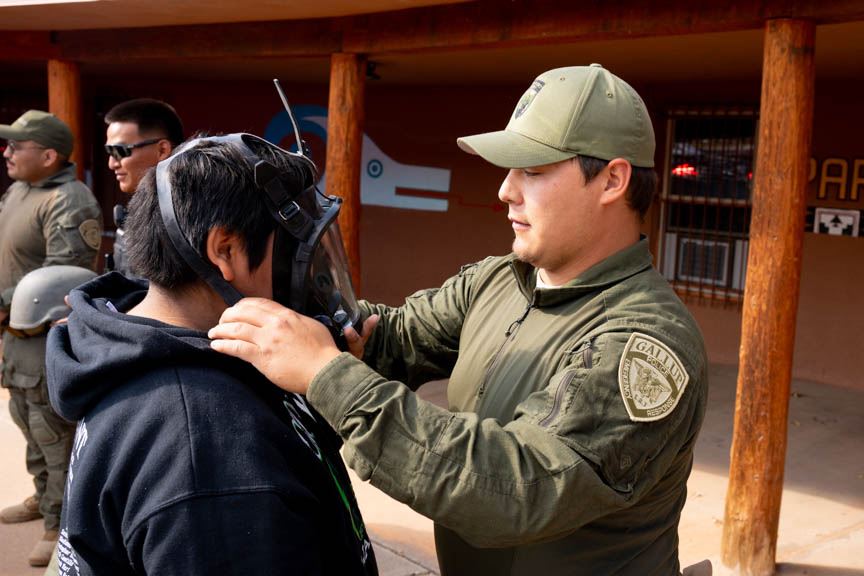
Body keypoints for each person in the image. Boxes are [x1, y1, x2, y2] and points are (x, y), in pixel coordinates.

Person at [209, 64, 710, 575]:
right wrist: (316, 322)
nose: (506, 190)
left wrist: (327, 374)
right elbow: (395, 337)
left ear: (612, 181)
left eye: (533, 170)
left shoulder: (644, 341)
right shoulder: (501, 279)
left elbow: (517, 488)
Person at [46, 133, 377, 575]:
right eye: (295, 250)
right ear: (225, 250)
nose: (307, 275)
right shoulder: (210, 454)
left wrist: (321, 389)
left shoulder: (146, 342)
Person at [0, 110, 102, 568]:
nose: (6, 153)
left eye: (16, 146)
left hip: (44, 332)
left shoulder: (70, 200)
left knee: (51, 429)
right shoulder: (20, 190)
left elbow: (64, 273)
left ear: (48, 156)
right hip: (14, 332)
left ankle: (59, 522)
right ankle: (43, 497)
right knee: (25, 418)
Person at [103, 98, 183, 274]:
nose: (112, 163)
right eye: (109, 151)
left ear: (162, 150)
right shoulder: (144, 208)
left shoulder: (186, 217)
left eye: (120, 151)